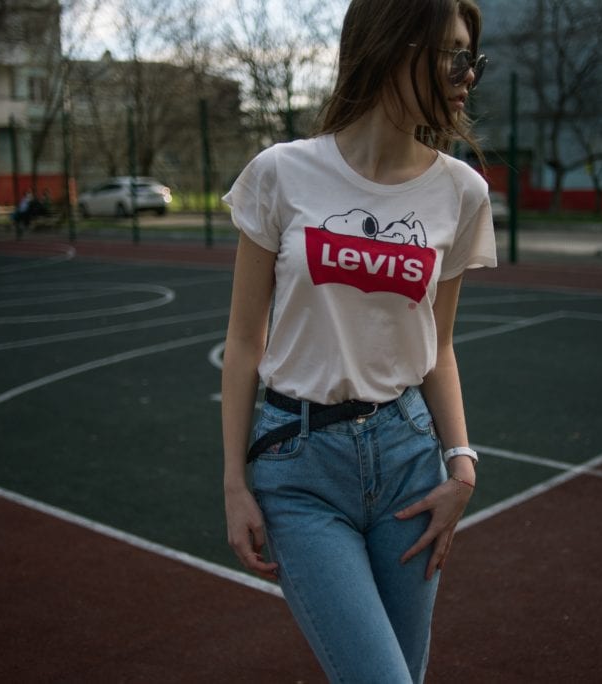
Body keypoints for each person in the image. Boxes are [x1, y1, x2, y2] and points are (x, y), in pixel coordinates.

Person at [221, 1, 495, 681]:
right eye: (453, 54)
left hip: (409, 462)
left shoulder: (461, 193)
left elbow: (438, 344)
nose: (469, 74)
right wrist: (234, 482)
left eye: (473, 57)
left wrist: (461, 462)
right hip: (300, 467)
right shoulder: (279, 174)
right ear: (396, 46)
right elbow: (244, 340)